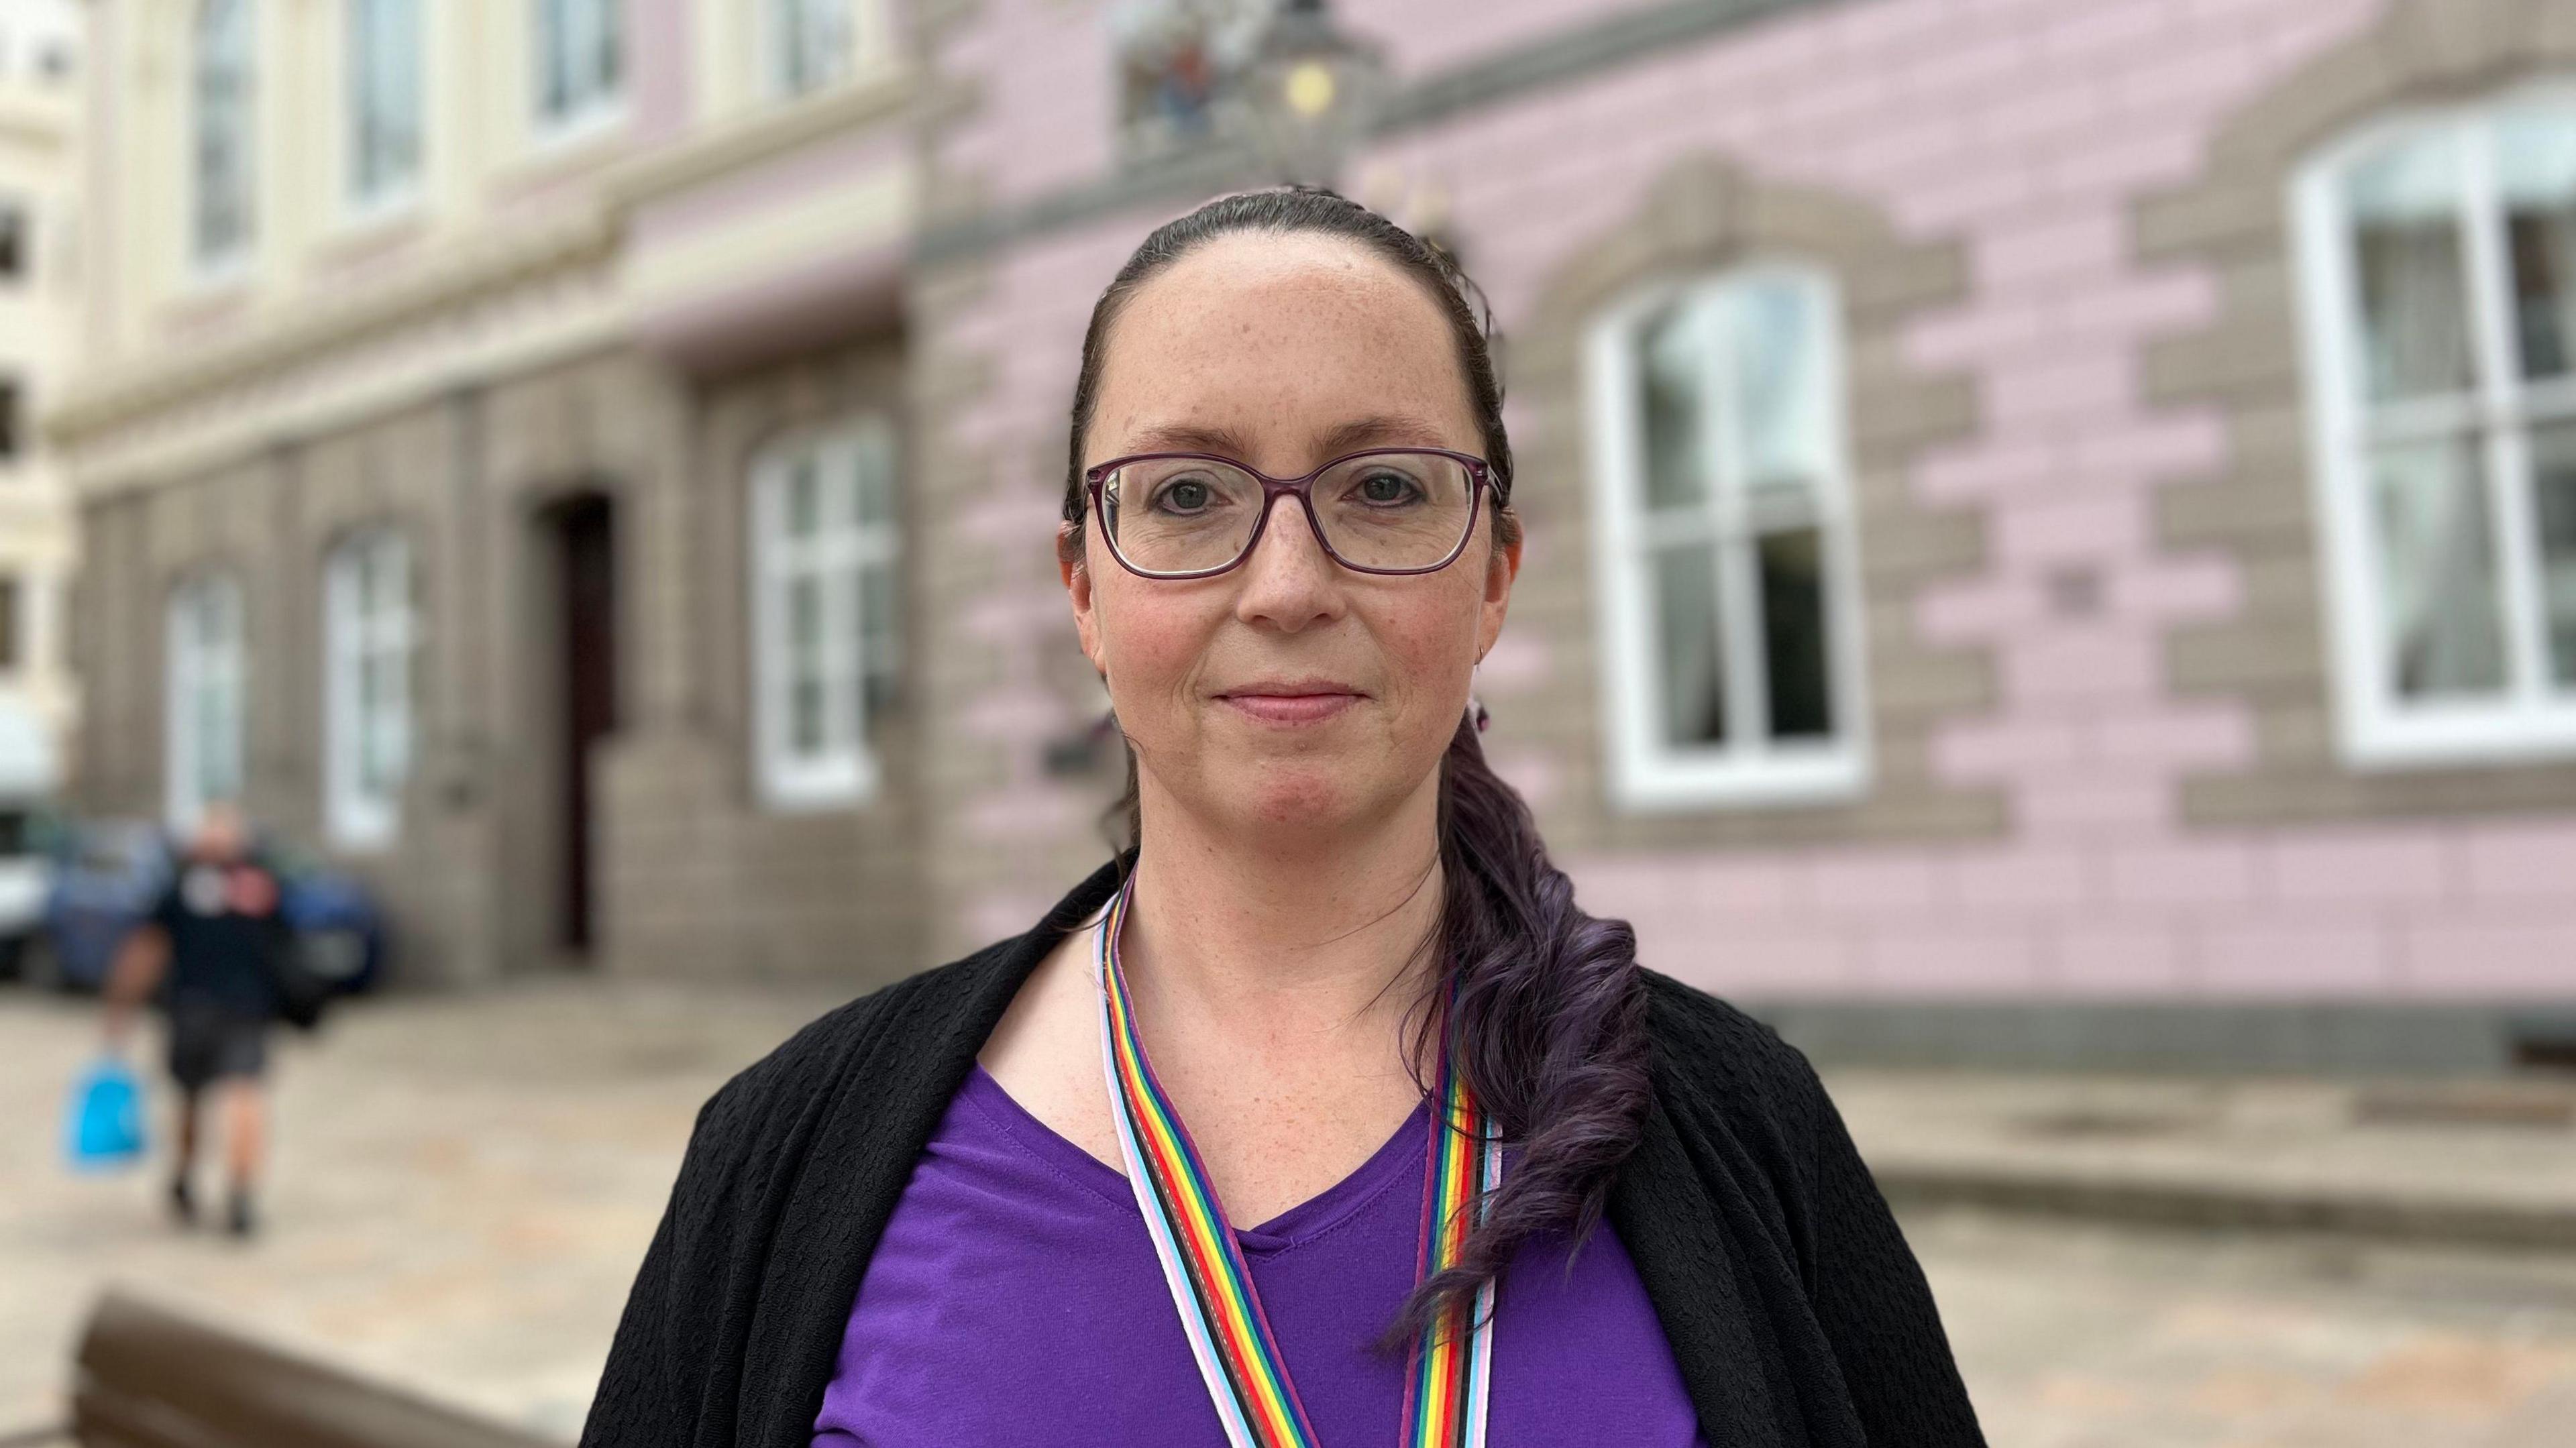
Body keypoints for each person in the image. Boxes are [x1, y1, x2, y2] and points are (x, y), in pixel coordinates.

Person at [582, 188, 1986, 1447]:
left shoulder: (1741, 1125)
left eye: (1382, 488)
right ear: (1084, 586)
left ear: (1494, 576)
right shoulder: (788, 1152)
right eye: (1187, 493)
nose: (1287, 584)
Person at [101, 800, 288, 1239]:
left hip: (193, 1009)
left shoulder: (180, 887)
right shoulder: (261, 887)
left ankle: (189, 1178)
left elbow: (145, 950)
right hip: (243, 1008)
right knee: (243, 1095)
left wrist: (119, 1007)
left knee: (196, 1099)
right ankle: (239, 1192)